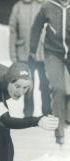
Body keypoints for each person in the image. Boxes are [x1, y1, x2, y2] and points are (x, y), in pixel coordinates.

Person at [30, 0, 70, 145]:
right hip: (53, 53)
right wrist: (32, 49)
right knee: (58, 88)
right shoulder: (47, 6)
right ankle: (59, 132)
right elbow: (36, 27)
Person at [9, 0, 51, 117]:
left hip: (43, 54)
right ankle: (28, 114)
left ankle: (48, 113)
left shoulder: (44, 5)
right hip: (24, 54)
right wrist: (13, 54)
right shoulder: (18, 7)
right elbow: (13, 31)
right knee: (26, 85)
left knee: (45, 84)